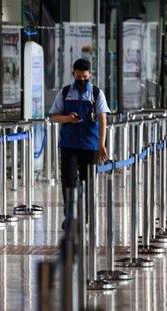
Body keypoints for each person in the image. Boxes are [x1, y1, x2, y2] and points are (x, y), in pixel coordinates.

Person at [49, 58, 110, 231]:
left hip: (90, 145)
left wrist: (101, 145)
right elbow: (54, 116)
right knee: (68, 180)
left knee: (87, 182)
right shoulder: (65, 92)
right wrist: (67, 118)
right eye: (79, 77)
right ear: (73, 74)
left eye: (85, 77)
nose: (82, 80)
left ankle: (83, 216)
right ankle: (70, 216)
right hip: (69, 144)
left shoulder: (96, 93)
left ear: (90, 74)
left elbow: (103, 119)